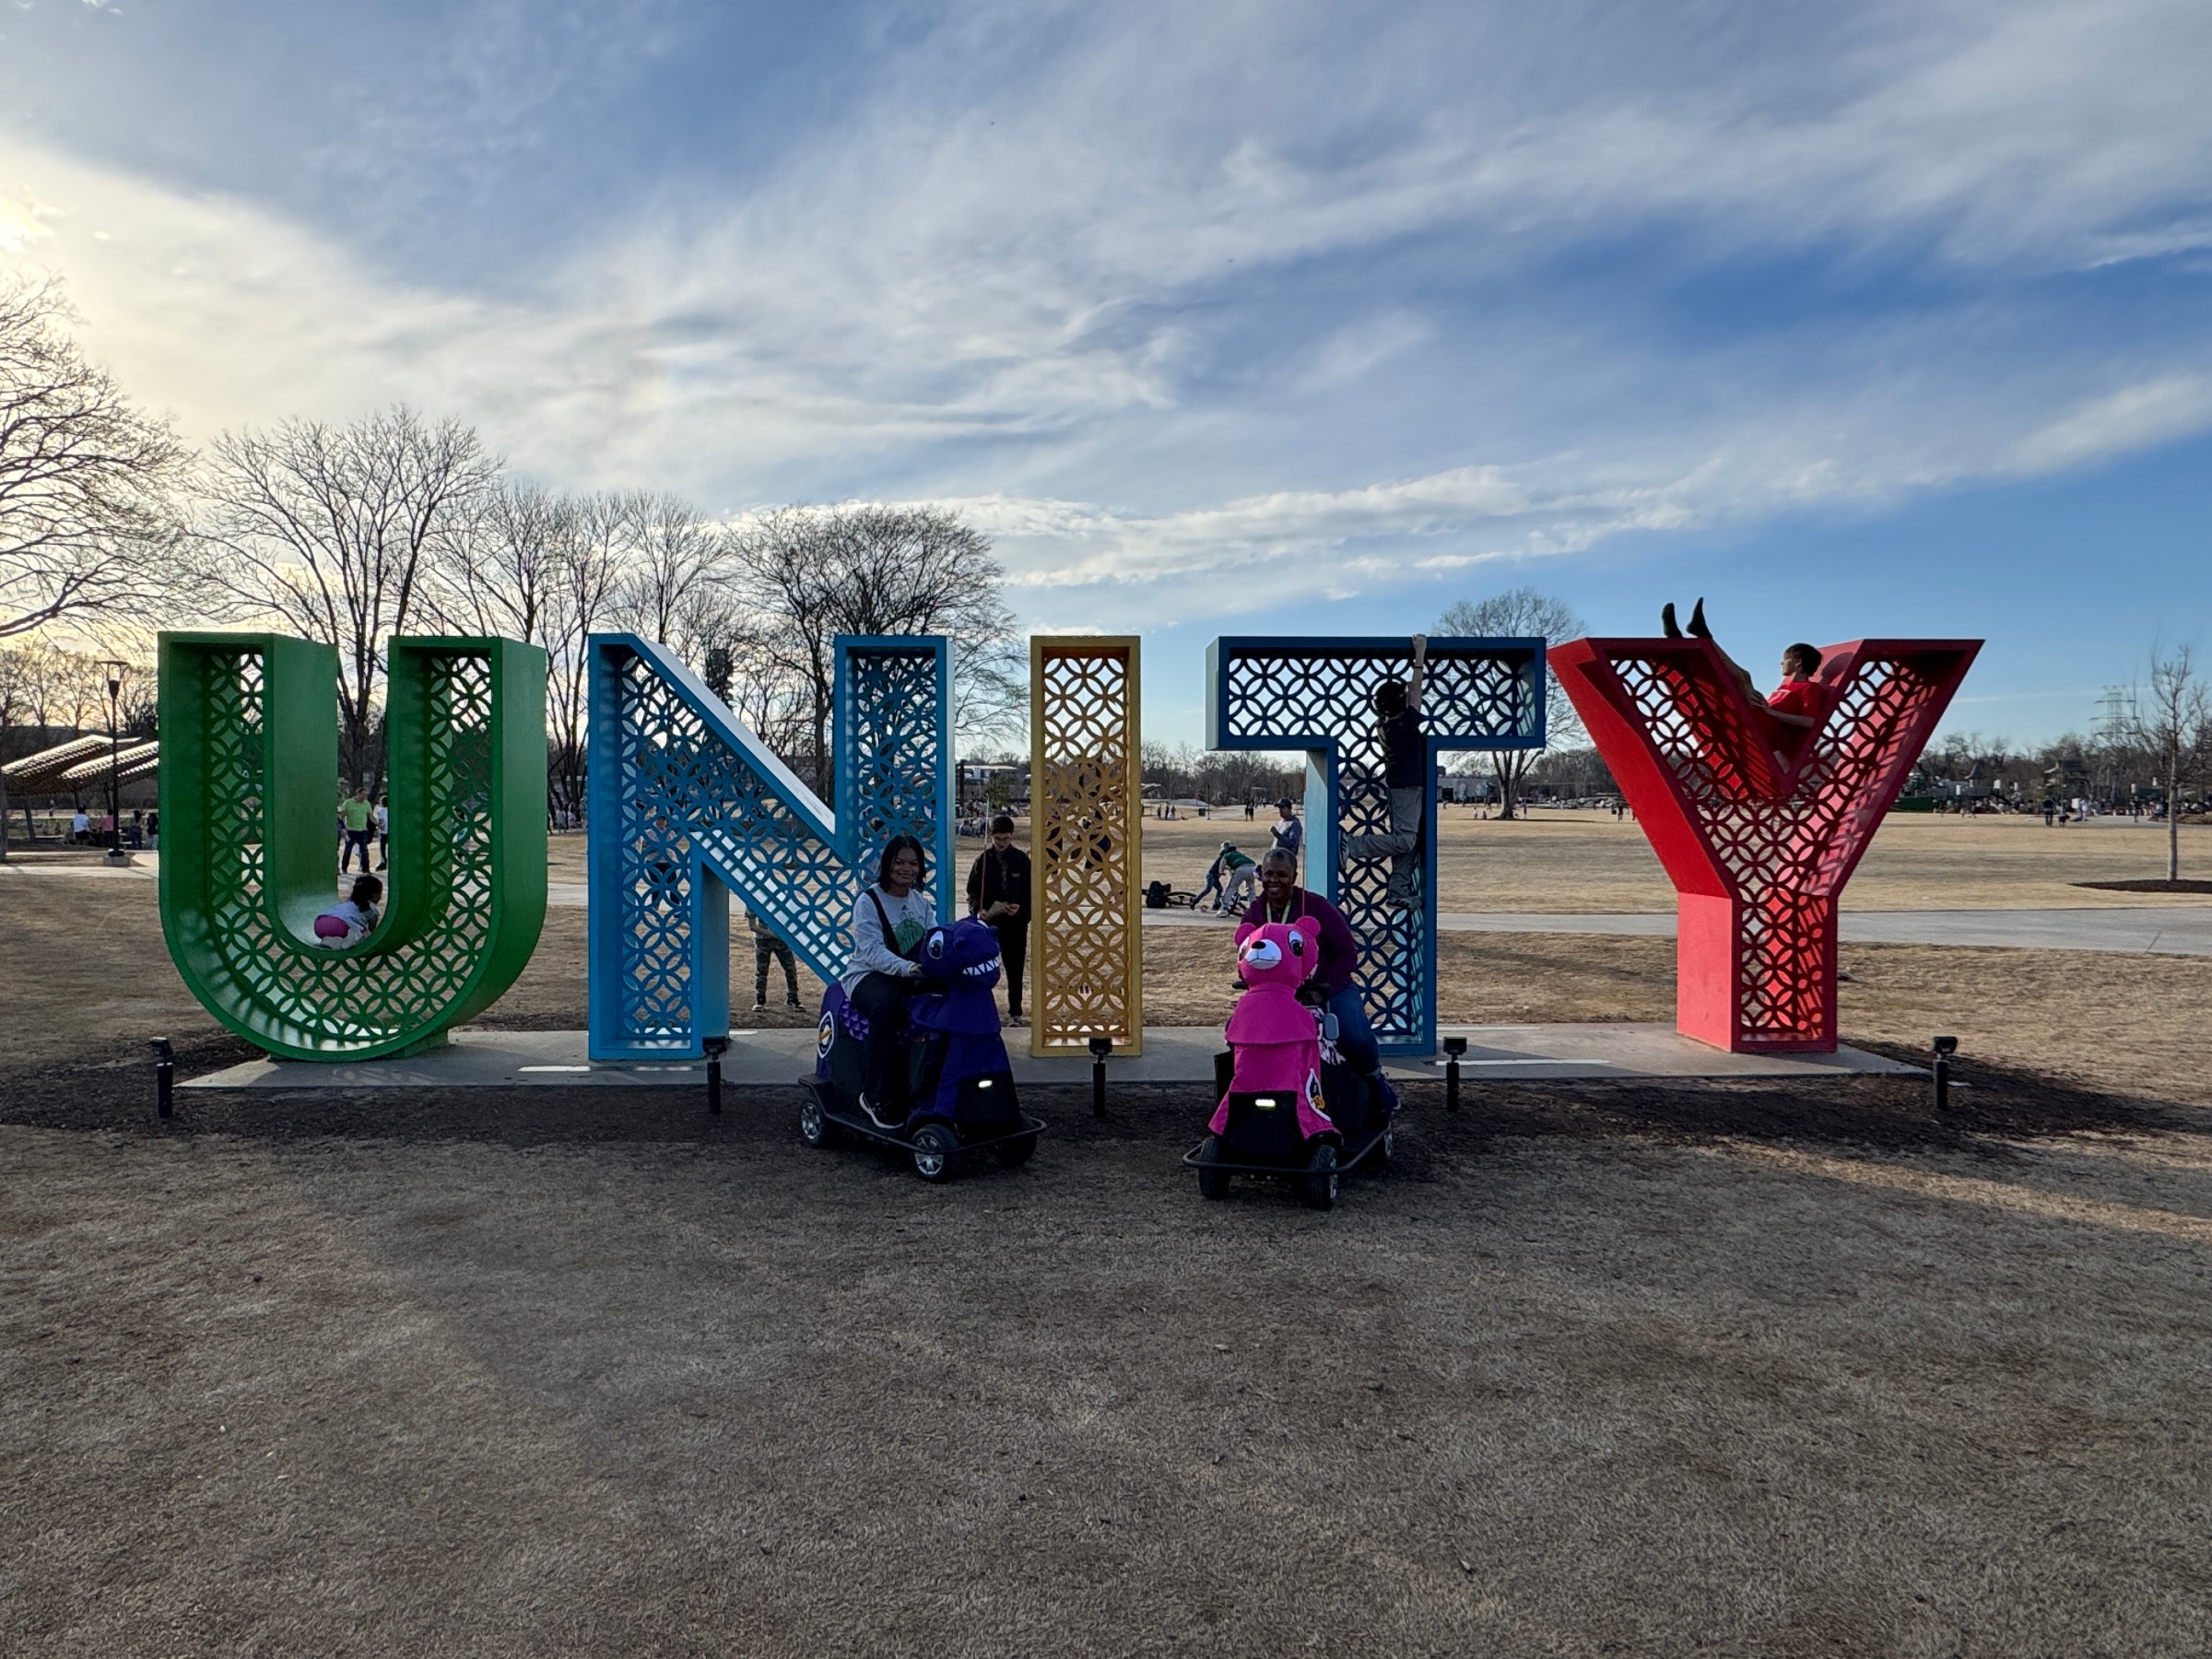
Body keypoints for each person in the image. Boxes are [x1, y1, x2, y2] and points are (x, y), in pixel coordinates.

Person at [1235, 849, 1395, 1111]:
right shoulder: (1255, 912)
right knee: (1240, 1034)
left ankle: (1375, 1079)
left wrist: (1325, 988)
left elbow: (1347, 953)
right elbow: (1245, 957)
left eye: (1281, 874)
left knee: (1353, 1034)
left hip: (1329, 989)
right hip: (1276, 996)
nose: (1274, 880)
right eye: (1268, 874)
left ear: (1294, 876)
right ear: (1260, 876)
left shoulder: (1316, 906)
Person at [840, 834, 938, 1129]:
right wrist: (909, 968)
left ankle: (931, 1083)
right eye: (899, 862)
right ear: (887, 865)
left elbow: (935, 939)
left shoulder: (920, 902)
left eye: (913, 863)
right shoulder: (868, 901)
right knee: (889, 1007)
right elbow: (871, 951)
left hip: (909, 972)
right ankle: (875, 1096)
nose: (906, 869)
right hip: (868, 975)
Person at [1662, 598, 1827, 747]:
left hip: (1765, 734)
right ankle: (1683, 642)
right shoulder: (1785, 686)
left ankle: (1703, 636)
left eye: (1786, 659)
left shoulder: (1809, 688)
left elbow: (1809, 722)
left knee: (1743, 678)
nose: (1781, 663)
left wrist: (1771, 712)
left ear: (1798, 662)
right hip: (1758, 723)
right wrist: (1766, 706)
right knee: (1722, 685)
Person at [1342, 638, 1428, 909]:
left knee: (1409, 842)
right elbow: (1416, 690)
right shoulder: (1404, 724)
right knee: (1405, 839)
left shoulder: (1386, 723)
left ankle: (1398, 891)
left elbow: (1412, 694)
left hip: (1404, 785)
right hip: (1406, 786)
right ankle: (1352, 846)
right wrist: (1419, 657)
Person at [965, 814, 1032, 1026]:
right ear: (992, 837)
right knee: (984, 968)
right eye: (997, 839)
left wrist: (1021, 909)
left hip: (1015, 924)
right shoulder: (982, 861)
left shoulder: (1021, 860)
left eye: (1005, 839)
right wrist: (977, 911)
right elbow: (972, 892)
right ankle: (982, 1010)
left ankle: (1015, 1013)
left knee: (1015, 969)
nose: (1001, 843)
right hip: (990, 925)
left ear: (1011, 836)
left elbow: (1031, 893)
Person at [312, 875, 382, 947]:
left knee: (353, 929)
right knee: (364, 935)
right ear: (375, 894)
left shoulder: (348, 902)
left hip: (320, 924)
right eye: (380, 893)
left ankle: (328, 940)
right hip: (340, 925)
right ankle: (337, 943)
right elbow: (371, 930)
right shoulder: (372, 908)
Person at [340, 785, 374, 874]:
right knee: (348, 849)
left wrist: (377, 823)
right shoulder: (348, 803)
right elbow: (342, 815)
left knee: (364, 850)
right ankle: (344, 868)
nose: (365, 797)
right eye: (363, 795)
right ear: (358, 794)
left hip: (362, 830)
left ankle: (366, 869)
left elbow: (370, 816)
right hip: (350, 830)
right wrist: (342, 827)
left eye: (366, 795)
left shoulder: (367, 804)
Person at [1269, 798, 1303, 866]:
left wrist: (1277, 834)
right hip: (1275, 860)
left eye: (1282, 807)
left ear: (1289, 809)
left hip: (1287, 862)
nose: (1280, 810)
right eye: (1278, 807)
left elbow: (1292, 842)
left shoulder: (1294, 823)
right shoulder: (1280, 822)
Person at [373, 795, 391, 870]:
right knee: (385, 849)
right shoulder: (390, 810)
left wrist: (379, 827)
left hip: (383, 832)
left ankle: (383, 862)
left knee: (382, 849)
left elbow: (381, 821)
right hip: (388, 832)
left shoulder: (380, 810)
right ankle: (385, 862)